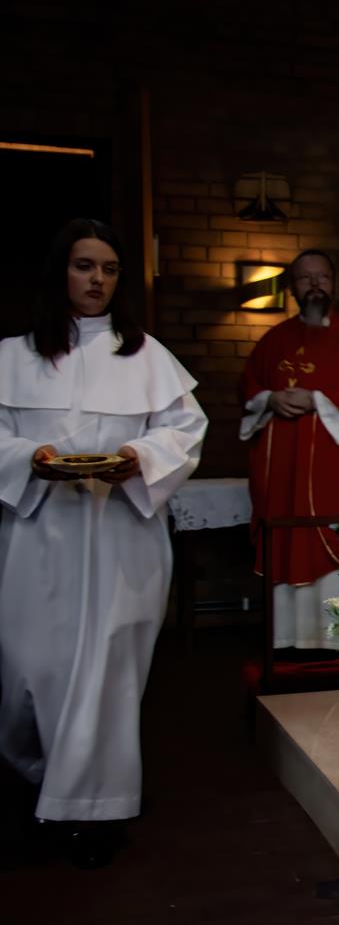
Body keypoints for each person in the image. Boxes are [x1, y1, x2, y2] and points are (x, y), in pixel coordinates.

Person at [0, 219, 206, 867]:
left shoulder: (144, 355)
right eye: (85, 266)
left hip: (122, 534)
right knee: (31, 669)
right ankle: (38, 773)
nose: (97, 280)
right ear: (60, 271)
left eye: (109, 269)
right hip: (39, 534)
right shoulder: (14, 355)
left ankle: (97, 805)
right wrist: (28, 456)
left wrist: (136, 456)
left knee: (111, 670)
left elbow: (184, 429)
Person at [240, 248, 339, 651]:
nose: (314, 285)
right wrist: (270, 400)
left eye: (322, 277)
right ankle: (289, 636)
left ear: (334, 284)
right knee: (290, 538)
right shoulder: (274, 340)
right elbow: (249, 389)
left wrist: (317, 401)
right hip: (286, 474)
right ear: (292, 287)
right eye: (304, 278)